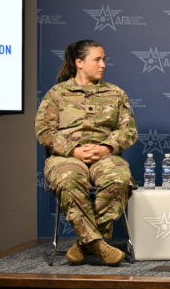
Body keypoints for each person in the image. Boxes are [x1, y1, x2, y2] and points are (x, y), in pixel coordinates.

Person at [36, 39, 137, 266]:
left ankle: (84, 243)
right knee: (69, 178)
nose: (103, 65)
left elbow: (128, 131)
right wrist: (73, 150)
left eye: (104, 60)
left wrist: (105, 148)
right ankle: (100, 245)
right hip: (67, 158)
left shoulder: (115, 93)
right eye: (97, 60)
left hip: (105, 156)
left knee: (119, 178)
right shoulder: (57, 94)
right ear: (79, 62)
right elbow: (44, 131)